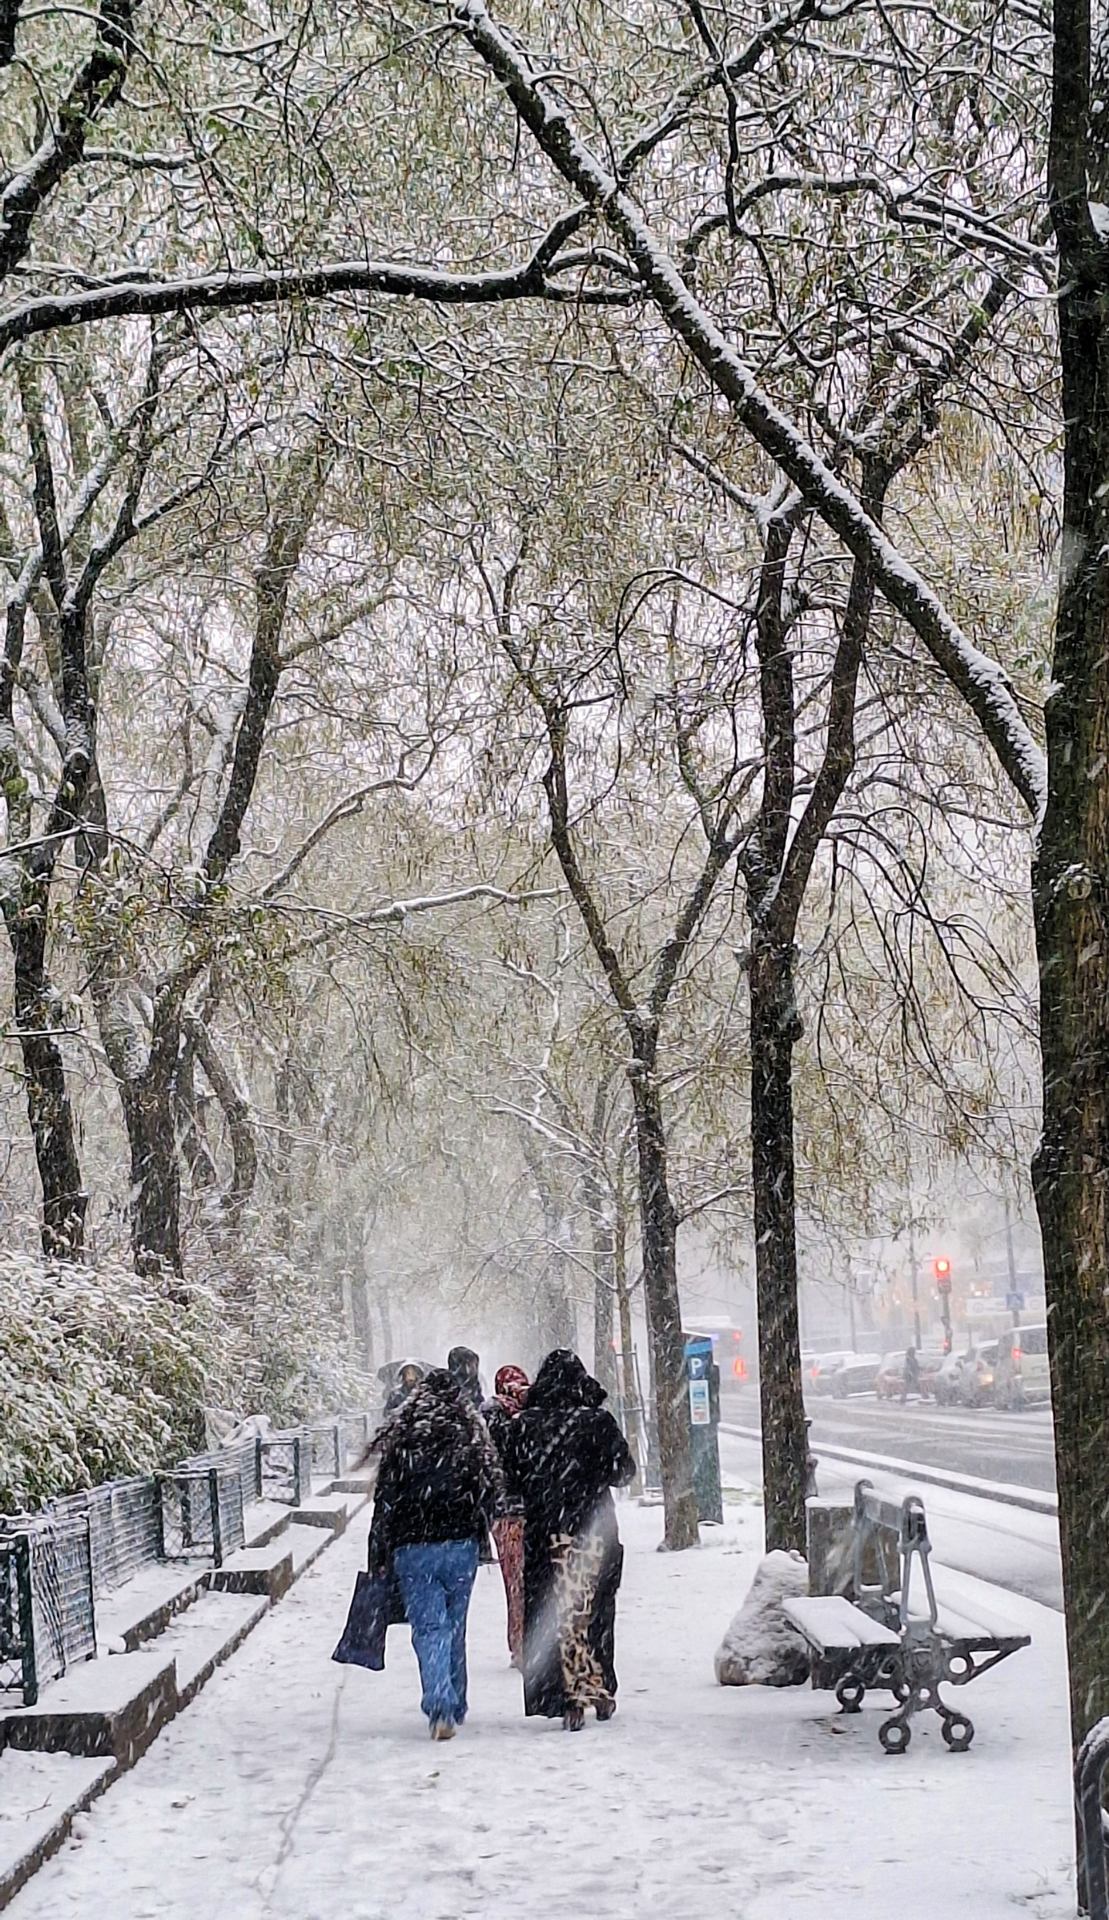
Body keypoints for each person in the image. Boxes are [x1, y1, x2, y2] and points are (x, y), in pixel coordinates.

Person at [503, 1348, 636, 1731]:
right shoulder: (597, 1422)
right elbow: (623, 1473)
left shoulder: (524, 1425)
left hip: (548, 1532)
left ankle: (566, 1694)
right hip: (593, 1529)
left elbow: (511, 1480)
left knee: (557, 1614)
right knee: (594, 1612)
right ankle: (595, 1688)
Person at [369, 1368, 501, 1739]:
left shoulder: (404, 1438)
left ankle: (439, 1703)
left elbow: (386, 1500)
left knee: (429, 1628)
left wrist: (378, 1550)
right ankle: (455, 1701)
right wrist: (478, 1527)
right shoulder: (467, 1437)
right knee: (455, 1625)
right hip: (459, 1545)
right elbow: (486, 1491)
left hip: (412, 1547)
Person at [481, 1365, 530, 1666]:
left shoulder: (490, 1416)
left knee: (513, 1580)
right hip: (533, 1509)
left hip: (504, 1511)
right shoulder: (532, 1414)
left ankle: (520, 1642)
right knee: (533, 1579)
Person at [447, 1344, 484, 1412]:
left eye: (474, 1364)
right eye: (469, 1364)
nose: (473, 1368)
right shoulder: (448, 1389)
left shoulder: (475, 1386)